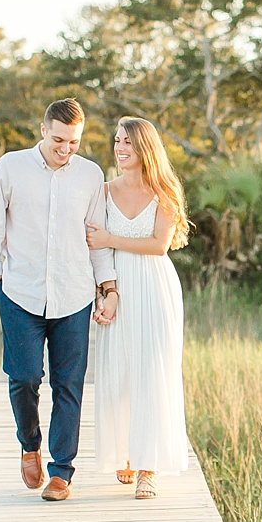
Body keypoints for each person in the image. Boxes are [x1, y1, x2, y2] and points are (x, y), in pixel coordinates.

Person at [0, 98, 120, 502]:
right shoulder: (10, 167)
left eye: (73, 142)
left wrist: (107, 287)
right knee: (23, 379)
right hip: (20, 292)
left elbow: (97, 238)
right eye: (58, 139)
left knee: (68, 384)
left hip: (73, 293)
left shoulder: (90, 175)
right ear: (43, 130)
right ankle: (29, 444)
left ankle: (61, 472)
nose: (65, 149)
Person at [87, 116, 190, 499]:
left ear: (144, 147)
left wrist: (111, 237)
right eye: (117, 140)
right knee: (119, 369)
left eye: (128, 142)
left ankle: (150, 467)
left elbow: (158, 245)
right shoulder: (103, 190)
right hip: (119, 286)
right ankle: (126, 453)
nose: (120, 148)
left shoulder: (164, 191)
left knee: (152, 370)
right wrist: (105, 289)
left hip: (154, 285)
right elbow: (92, 245)